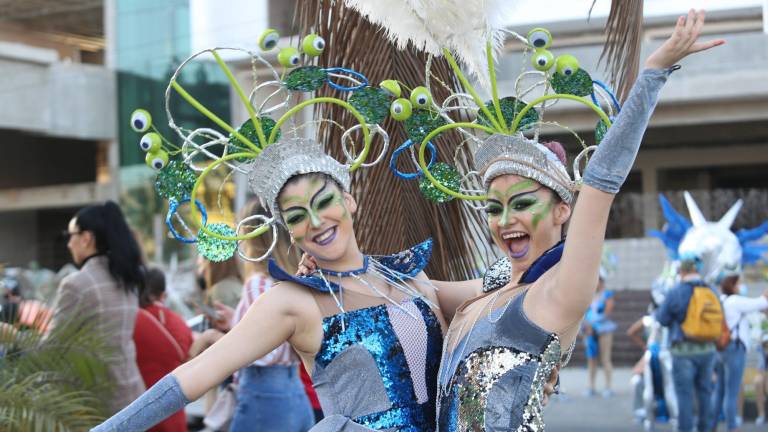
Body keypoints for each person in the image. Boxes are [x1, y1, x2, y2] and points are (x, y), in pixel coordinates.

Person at [92, 30, 448, 431]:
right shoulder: (291, 303)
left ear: (349, 200)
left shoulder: (407, 277)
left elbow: (504, 289)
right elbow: (191, 378)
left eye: (324, 202)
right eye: (296, 215)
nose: (315, 222)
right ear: (288, 231)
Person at [422, 10, 723, 431]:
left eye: (522, 203)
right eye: (494, 208)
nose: (505, 220)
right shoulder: (493, 286)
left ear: (563, 209)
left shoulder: (560, 289)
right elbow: (414, 290)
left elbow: (600, 185)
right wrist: (328, 268)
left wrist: (652, 74)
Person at [227, 199, 315, 432]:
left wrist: (218, 342)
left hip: (264, 394)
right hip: (293, 393)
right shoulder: (287, 282)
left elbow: (266, 350)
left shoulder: (258, 283)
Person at [51, 201, 146, 415]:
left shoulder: (78, 284)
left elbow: (50, 349)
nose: (68, 244)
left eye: (70, 235)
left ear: (86, 238)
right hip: (132, 393)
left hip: (97, 403)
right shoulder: (126, 278)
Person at [655, 255, 721, 432]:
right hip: (708, 350)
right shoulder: (712, 290)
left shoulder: (676, 291)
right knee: (705, 393)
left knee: (685, 396)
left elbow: (662, 319)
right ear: (697, 270)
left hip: (683, 351)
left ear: (682, 271)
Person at [133, 267, 193, 432]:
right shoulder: (179, 322)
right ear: (163, 294)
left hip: (136, 414)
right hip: (174, 414)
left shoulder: (131, 321)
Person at [710, 272, 768, 431]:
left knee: (719, 391)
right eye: (739, 283)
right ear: (733, 286)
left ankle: (711, 426)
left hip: (721, 349)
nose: (741, 286)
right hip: (734, 350)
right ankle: (732, 427)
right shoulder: (735, 301)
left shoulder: (721, 300)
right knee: (731, 392)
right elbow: (762, 302)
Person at [584, 276, 617, 397]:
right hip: (590, 331)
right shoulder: (590, 295)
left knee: (605, 359)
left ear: (601, 282)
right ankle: (591, 386)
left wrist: (594, 322)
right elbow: (585, 311)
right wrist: (587, 325)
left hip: (604, 330)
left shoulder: (607, 294)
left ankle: (608, 386)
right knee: (591, 359)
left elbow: (607, 312)